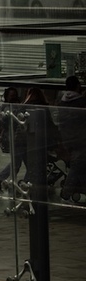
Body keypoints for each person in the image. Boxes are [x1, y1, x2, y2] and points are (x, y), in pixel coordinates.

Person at [57, 75, 86, 206]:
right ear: (77, 86)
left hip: (67, 138)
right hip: (81, 139)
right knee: (77, 165)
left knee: (79, 165)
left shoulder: (62, 101)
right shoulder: (81, 102)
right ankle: (66, 192)